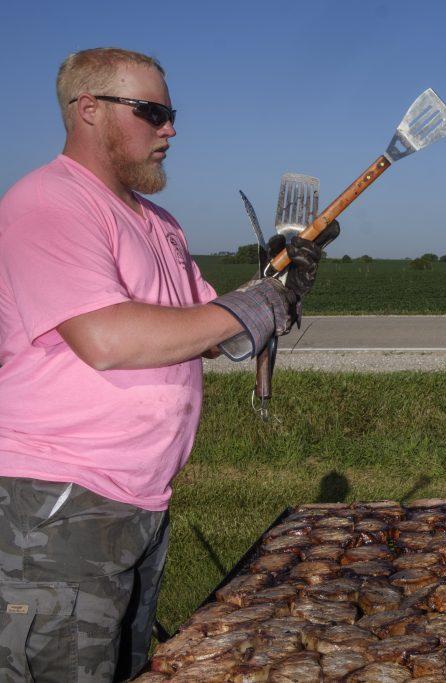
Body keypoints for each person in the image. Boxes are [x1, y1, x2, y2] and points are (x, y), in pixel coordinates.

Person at [0, 48, 334, 681]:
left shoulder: (158, 222)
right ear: (88, 109)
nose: (170, 129)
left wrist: (273, 287)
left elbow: (203, 331)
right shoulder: (49, 202)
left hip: (138, 500)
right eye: (152, 112)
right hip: (58, 502)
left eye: (171, 113)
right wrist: (254, 306)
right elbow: (106, 338)